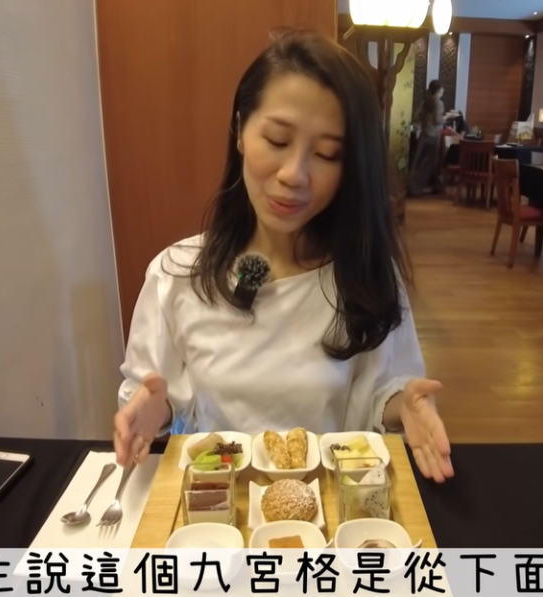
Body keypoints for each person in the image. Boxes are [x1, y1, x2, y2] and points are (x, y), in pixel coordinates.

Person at [112, 29, 454, 483]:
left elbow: (383, 392)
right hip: (219, 504)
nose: (294, 175)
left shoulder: (365, 275)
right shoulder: (176, 276)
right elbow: (153, 398)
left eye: (327, 154)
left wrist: (402, 406)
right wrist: (153, 410)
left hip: (330, 504)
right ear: (239, 131)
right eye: (276, 141)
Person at [407, 80, 458, 196]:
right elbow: (438, 121)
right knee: (429, 163)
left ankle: (432, 186)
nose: (443, 90)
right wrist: (449, 116)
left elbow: (417, 117)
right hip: (433, 137)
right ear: (438, 91)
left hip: (424, 136)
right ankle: (417, 189)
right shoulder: (438, 103)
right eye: (442, 89)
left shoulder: (425, 102)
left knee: (420, 163)